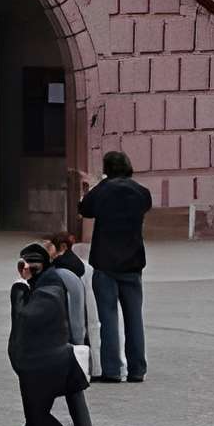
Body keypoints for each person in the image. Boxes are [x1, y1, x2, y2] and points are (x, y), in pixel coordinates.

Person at [0, 231, 95, 426]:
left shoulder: (56, 279)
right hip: (69, 349)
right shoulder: (72, 275)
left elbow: (36, 318)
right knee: (71, 402)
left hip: (55, 351)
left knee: (38, 409)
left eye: (48, 247)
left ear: (59, 250)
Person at [78, 149, 150, 383]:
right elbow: (145, 206)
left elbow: (85, 209)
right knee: (134, 318)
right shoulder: (141, 192)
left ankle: (111, 370)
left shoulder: (103, 191)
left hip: (105, 263)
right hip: (133, 263)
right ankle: (137, 369)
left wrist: (98, 184)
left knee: (108, 319)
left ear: (107, 169)